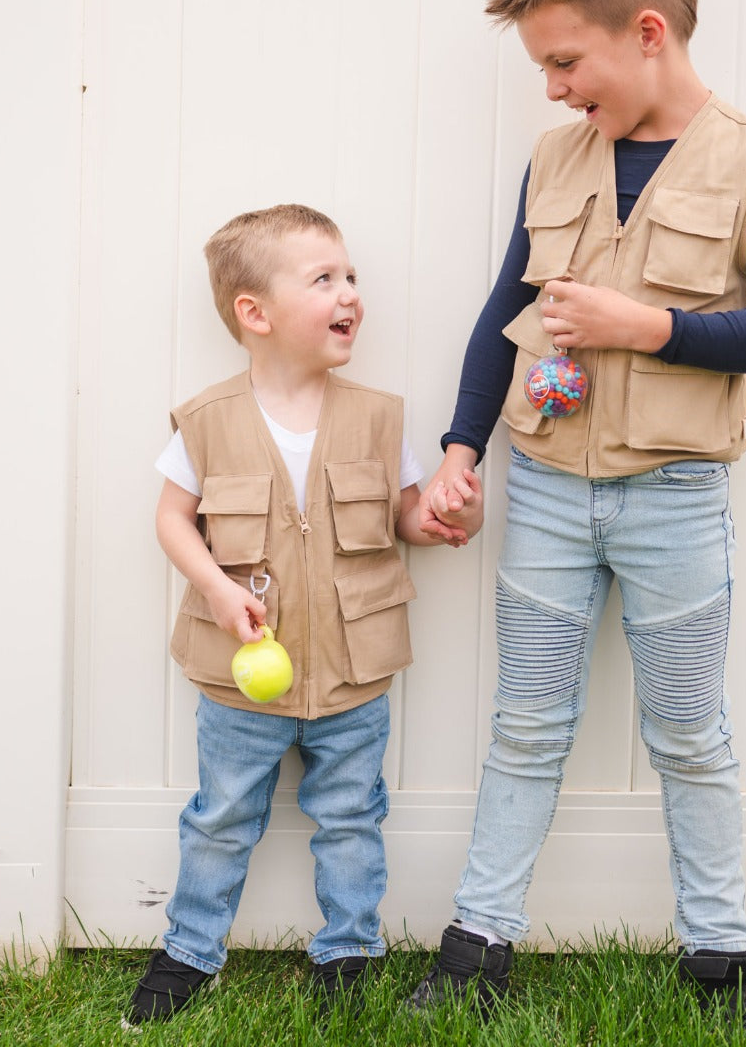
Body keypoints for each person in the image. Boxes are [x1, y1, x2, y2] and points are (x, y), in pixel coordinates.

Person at [408, 0, 746, 1031]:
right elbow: (507, 312)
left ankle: (720, 955)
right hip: (544, 493)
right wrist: (460, 450)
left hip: (674, 501)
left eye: (562, 62)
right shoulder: (553, 157)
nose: (551, 89)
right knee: (526, 724)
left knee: (690, 731)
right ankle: (476, 943)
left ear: (647, 33)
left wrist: (647, 328)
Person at [125, 203, 482, 1027]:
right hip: (238, 677)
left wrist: (438, 516)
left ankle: (349, 952)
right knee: (220, 817)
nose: (349, 292)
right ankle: (188, 950)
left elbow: (403, 515)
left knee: (353, 818)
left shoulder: (377, 417)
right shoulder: (207, 421)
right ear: (255, 313)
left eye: (351, 276)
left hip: (354, 674)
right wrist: (218, 589)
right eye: (324, 279)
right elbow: (172, 519)